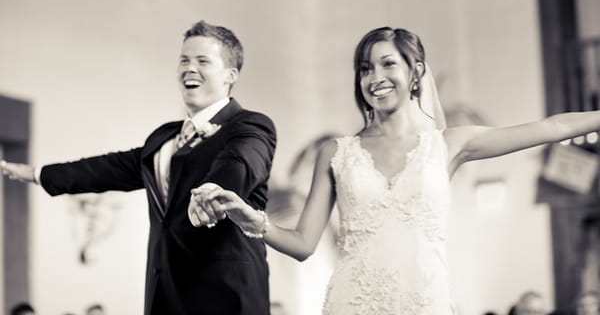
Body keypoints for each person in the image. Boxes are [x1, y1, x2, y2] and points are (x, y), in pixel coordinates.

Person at [192, 26, 600, 314]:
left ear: (415, 71)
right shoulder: (336, 152)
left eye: (388, 64)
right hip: (353, 302)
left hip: (425, 302)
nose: (375, 77)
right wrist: (250, 218)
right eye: (365, 68)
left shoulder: (448, 145)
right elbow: (302, 244)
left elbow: (553, 127)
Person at [0, 20, 277, 315]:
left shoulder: (250, 125)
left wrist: (215, 189)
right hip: (165, 293)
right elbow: (107, 168)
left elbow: (242, 161)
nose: (189, 68)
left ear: (230, 75)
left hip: (225, 294)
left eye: (202, 61)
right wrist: (39, 174)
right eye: (184, 60)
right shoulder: (164, 137)